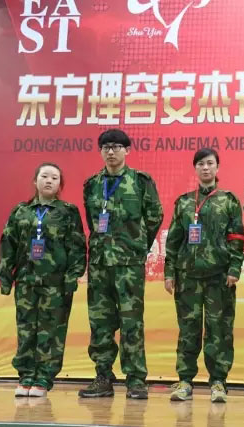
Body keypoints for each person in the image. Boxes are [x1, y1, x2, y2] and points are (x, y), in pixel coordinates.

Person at [79, 128, 164, 400]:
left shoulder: (140, 181)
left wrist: (137, 245)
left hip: (129, 264)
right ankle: (103, 377)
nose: (111, 152)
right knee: (100, 322)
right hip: (100, 264)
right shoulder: (92, 184)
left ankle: (136, 380)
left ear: (127, 150)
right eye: (106, 147)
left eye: (116, 147)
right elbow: (93, 222)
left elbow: (155, 216)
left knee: (131, 322)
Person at [164, 148, 244, 403]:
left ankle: (218, 382)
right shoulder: (184, 202)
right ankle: (185, 381)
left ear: (217, 167)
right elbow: (174, 241)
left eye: (210, 163)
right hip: (187, 277)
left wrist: (234, 269)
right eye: (201, 164)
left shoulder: (229, 201)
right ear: (195, 168)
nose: (206, 168)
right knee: (188, 330)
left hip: (218, 278)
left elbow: (237, 237)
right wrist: (169, 273)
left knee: (218, 330)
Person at [0, 162, 86, 397]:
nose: (49, 181)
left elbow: (77, 246)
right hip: (26, 281)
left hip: (56, 284)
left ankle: (44, 378)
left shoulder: (68, 212)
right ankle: (26, 376)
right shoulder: (21, 211)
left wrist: (73, 276)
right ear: (35, 181)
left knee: (51, 331)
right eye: (44, 176)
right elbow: (8, 244)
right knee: (26, 329)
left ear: (60, 185)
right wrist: (5, 275)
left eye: (54, 178)